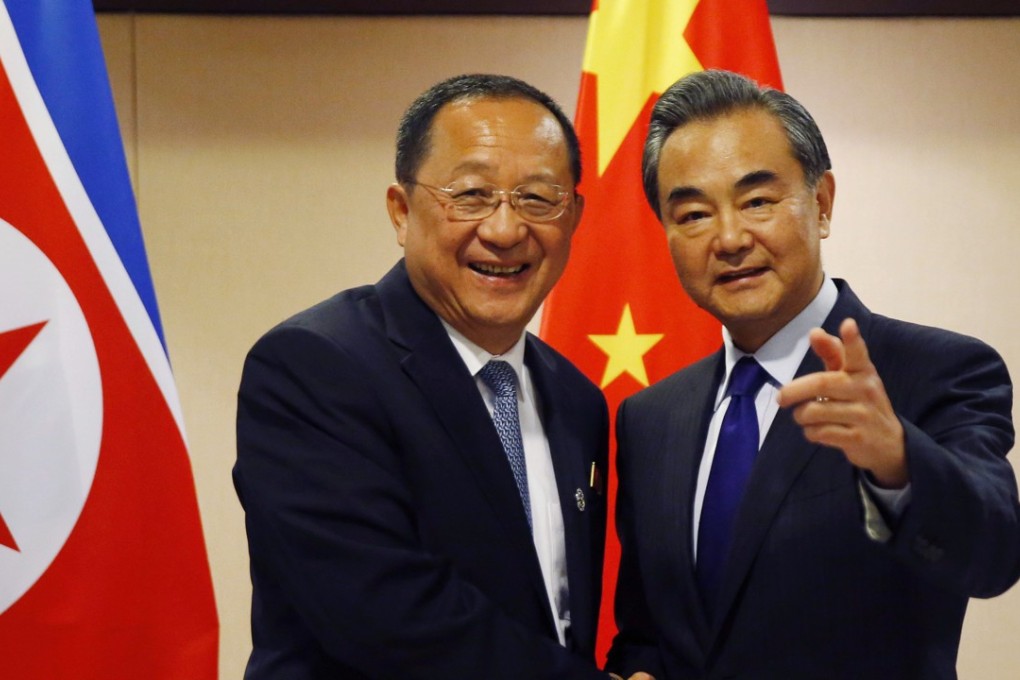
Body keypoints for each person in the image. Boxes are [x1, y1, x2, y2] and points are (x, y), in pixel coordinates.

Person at [234, 73, 651, 680]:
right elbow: (383, 616)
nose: (505, 231)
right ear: (402, 212)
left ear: (574, 217)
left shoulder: (576, 399)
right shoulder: (313, 366)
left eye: (538, 198)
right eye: (472, 195)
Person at [606, 69, 1020, 679]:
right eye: (693, 214)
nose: (728, 237)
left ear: (821, 203)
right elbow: (648, 632)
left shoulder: (935, 370)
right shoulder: (649, 419)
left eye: (757, 202)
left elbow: (992, 556)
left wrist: (899, 461)